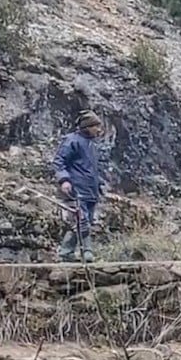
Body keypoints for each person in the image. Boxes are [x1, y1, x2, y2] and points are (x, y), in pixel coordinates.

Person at [53, 109, 105, 262]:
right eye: (96, 126)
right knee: (82, 221)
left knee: (82, 221)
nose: (99, 130)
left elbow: (92, 169)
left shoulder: (91, 145)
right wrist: (64, 180)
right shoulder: (72, 141)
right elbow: (59, 162)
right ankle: (87, 252)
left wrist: (99, 186)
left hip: (90, 191)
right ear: (87, 127)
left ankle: (65, 252)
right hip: (75, 189)